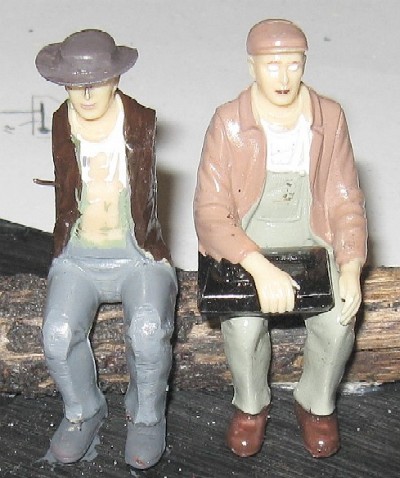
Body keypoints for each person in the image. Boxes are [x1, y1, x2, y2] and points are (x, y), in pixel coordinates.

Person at [194, 19, 367, 459]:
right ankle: (251, 404)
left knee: (338, 321)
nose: (284, 76)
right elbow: (211, 211)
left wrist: (350, 266)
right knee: (244, 326)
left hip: (312, 235)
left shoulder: (329, 117)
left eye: (293, 64)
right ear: (252, 67)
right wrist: (258, 266)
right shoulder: (228, 123)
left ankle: (316, 401)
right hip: (247, 239)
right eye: (272, 65)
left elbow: (345, 198)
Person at [35, 29, 177, 470]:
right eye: (75, 85)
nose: (85, 95)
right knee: (58, 334)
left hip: (137, 255)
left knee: (148, 331)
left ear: (116, 79)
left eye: (95, 83)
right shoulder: (62, 123)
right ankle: (83, 409)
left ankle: (147, 413)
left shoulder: (141, 123)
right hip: (79, 257)